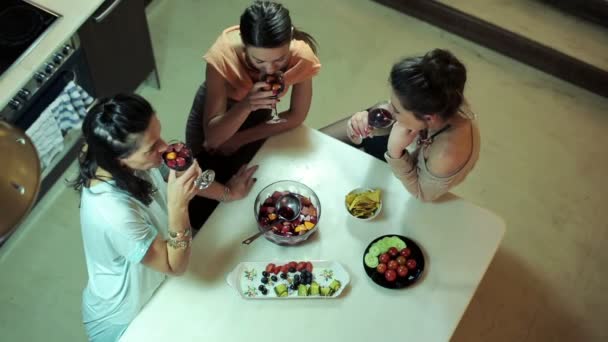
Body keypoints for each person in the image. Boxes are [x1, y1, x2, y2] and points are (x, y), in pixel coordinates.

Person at [73, 94, 255, 341]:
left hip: (162, 285)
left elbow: (176, 175)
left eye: (158, 135)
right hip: (128, 316)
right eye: (151, 148)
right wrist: (178, 205)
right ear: (119, 159)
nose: (163, 148)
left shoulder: (114, 154)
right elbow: (173, 265)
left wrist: (228, 193)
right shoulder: (113, 212)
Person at [185, 0, 321, 228]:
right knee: (204, 183)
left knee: (245, 186)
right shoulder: (223, 56)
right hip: (218, 118)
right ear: (245, 44)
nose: (270, 70)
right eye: (258, 61)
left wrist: (242, 138)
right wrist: (247, 103)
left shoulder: (300, 56)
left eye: (280, 60)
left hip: (258, 118)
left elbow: (297, 115)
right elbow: (213, 139)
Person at [321, 49, 480, 201]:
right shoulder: (441, 97)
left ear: (429, 119)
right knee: (322, 143)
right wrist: (368, 118)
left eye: (396, 110)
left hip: (409, 173)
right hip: (407, 139)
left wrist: (395, 152)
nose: (390, 109)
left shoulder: (446, 156)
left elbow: (422, 193)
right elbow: (392, 110)